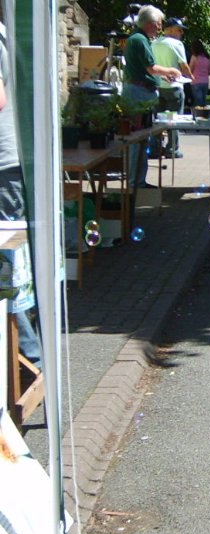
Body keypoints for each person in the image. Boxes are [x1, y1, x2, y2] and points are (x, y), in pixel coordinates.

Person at [0, 23, 40, 367]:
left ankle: (29, 355)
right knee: (14, 263)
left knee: (7, 266)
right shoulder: (5, 31)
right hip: (12, 159)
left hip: (2, 164)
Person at [122, 5, 181, 188]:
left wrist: (162, 75)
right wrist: (171, 70)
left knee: (142, 138)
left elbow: (146, 70)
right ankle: (134, 182)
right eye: (159, 24)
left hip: (139, 90)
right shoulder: (139, 40)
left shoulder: (139, 39)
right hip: (138, 94)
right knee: (137, 139)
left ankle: (139, 180)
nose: (160, 27)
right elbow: (151, 68)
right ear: (151, 23)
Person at [152, 17, 192, 158]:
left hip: (158, 86)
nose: (181, 32)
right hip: (174, 86)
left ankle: (155, 148)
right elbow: (184, 66)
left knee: (158, 120)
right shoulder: (177, 44)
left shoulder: (154, 43)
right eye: (179, 29)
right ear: (169, 29)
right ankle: (172, 149)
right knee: (173, 120)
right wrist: (191, 77)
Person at [189, 40, 210, 107]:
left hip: (196, 81)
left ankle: (200, 115)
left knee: (199, 102)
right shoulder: (208, 57)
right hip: (205, 82)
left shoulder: (194, 57)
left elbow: (190, 70)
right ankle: (204, 114)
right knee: (203, 101)